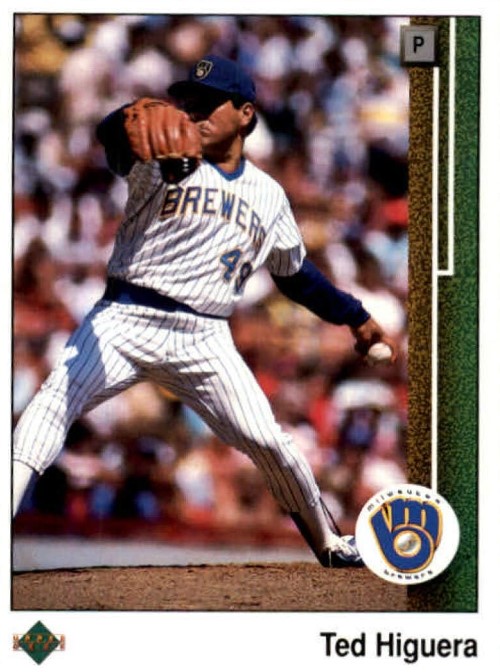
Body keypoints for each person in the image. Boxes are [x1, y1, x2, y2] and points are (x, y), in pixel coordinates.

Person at [13, 54, 397, 567]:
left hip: (205, 336)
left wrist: (354, 315)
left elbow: (295, 276)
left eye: (209, 103)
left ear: (245, 113)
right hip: (125, 316)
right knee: (49, 405)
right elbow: (114, 142)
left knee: (270, 442)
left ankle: (329, 544)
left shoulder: (268, 195)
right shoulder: (161, 158)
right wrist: (122, 117)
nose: (194, 112)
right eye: (189, 101)